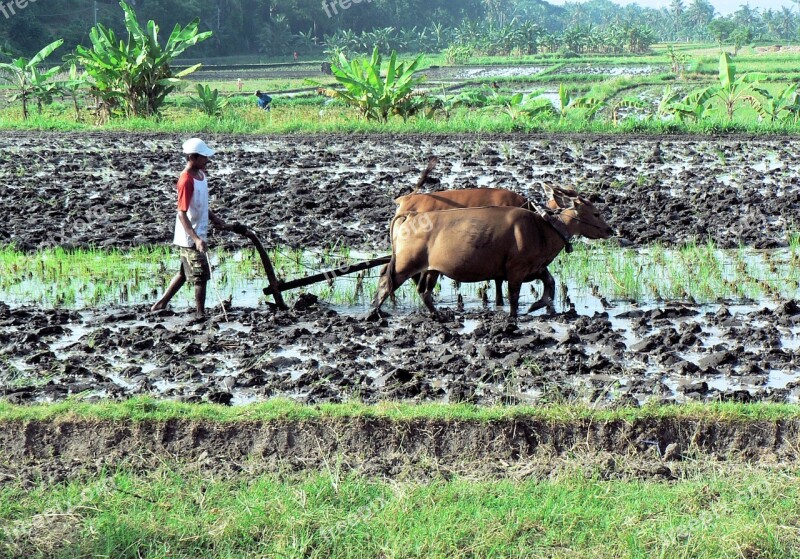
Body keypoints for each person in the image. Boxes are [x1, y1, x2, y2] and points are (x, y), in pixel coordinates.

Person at [151, 138, 228, 317]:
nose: (206, 161)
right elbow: (181, 213)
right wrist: (196, 239)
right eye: (203, 157)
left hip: (199, 230)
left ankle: (160, 304)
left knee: (184, 273)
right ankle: (200, 313)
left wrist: (215, 219)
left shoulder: (201, 175)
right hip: (190, 236)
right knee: (200, 276)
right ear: (192, 157)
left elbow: (201, 203)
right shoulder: (186, 180)